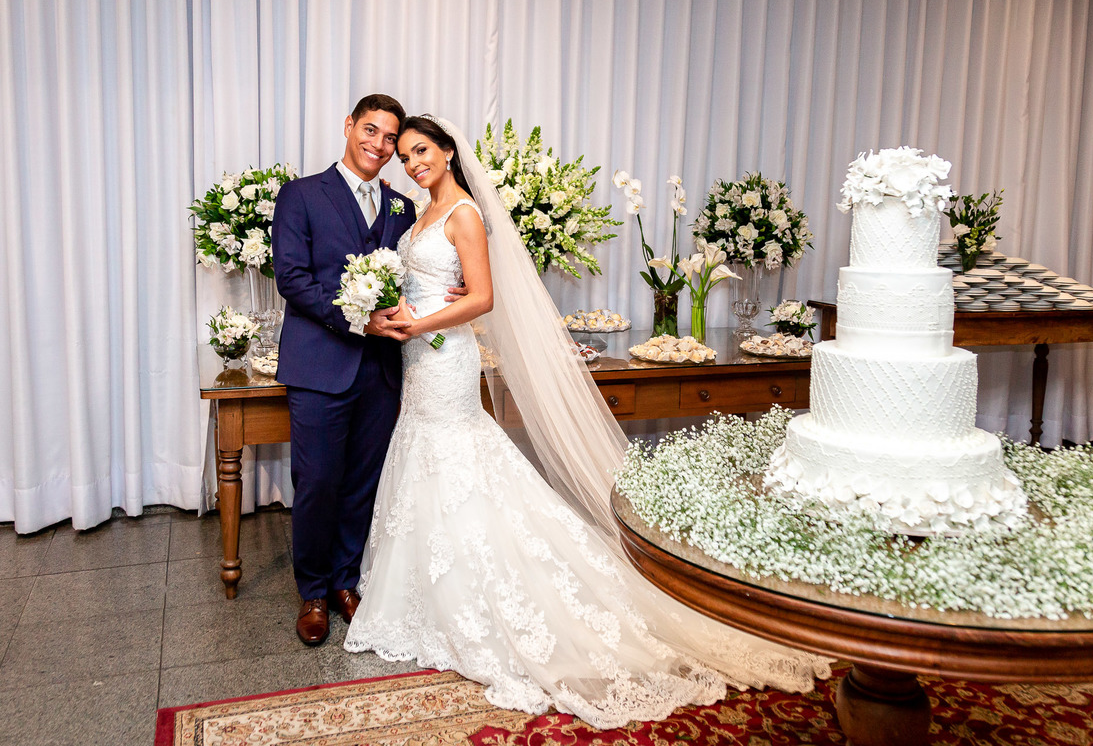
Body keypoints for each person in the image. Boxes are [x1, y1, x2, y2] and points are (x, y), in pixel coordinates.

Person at [342, 114, 832, 729]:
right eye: (405, 155)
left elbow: (482, 297)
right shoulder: (420, 212)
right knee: (425, 451)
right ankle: (426, 593)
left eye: (421, 151)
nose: (412, 163)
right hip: (418, 357)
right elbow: (429, 284)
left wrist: (420, 324)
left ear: (446, 152)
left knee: (456, 454)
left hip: (443, 355)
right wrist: (391, 312)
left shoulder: (463, 212)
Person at [272, 94, 418, 646]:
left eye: (389, 138)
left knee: (363, 483)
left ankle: (344, 582)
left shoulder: (403, 207)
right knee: (317, 483)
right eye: (370, 131)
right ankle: (311, 591)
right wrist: (356, 322)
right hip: (320, 367)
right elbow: (292, 278)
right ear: (348, 126)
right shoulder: (302, 194)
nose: (378, 145)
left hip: (380, 372)